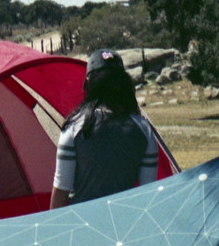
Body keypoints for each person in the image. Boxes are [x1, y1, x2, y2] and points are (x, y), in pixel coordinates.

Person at [49, 49, 158, 209]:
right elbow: (148, 195)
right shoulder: (143, 129)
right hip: (125, 228)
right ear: (123, 83)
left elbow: (61, 191)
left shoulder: (74, 127)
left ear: (88, 83)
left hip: (82, 227)